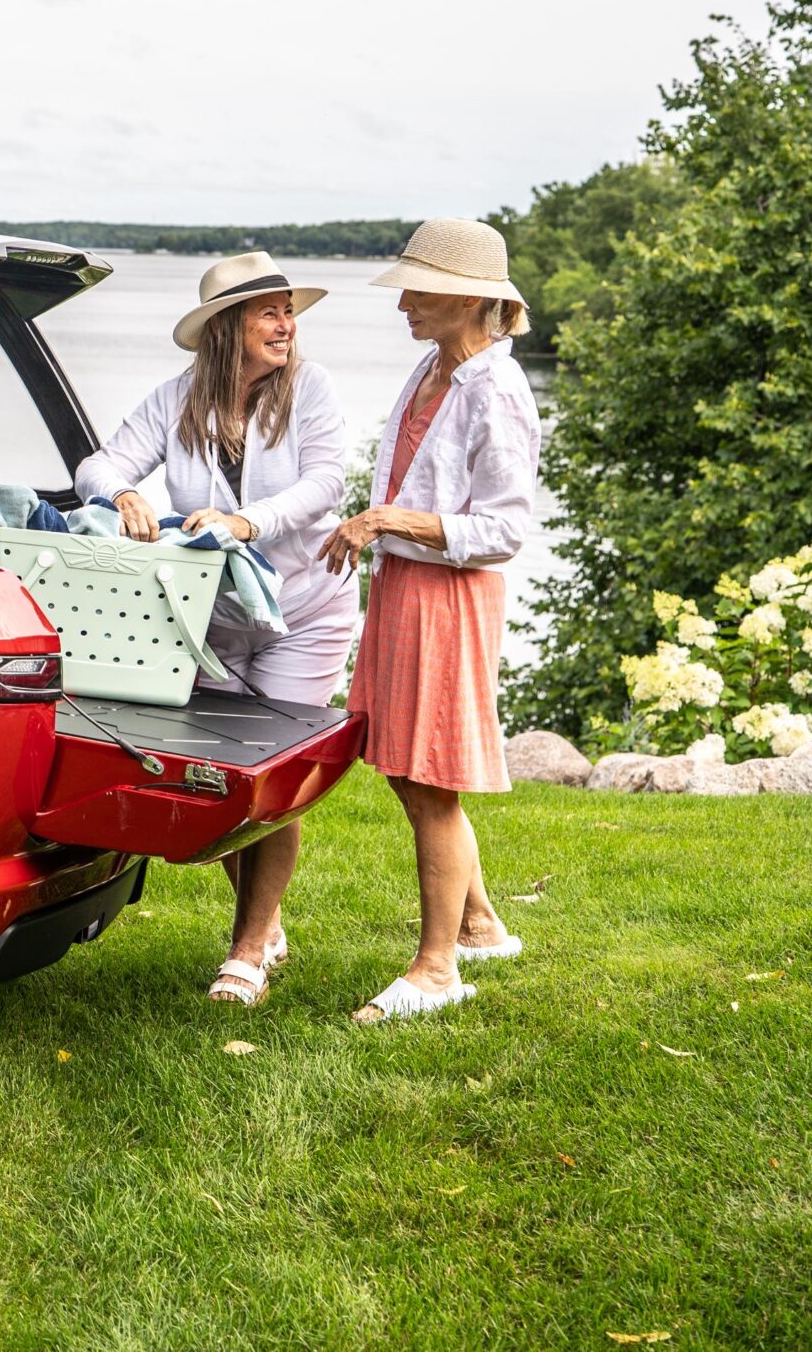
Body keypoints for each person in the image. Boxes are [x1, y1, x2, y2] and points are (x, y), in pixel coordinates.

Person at [75, 251, 357, 1007]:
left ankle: (247, 950)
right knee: (228, 787)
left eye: (287, 310)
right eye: (269, 311)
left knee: (273, 780)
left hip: (303, 611)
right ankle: (265, 923)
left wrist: (245, 521)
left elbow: (326, 481)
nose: (286, 324)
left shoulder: (313, 390)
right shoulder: (178, 399)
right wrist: (127, 491)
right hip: (215, 621)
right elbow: (95, 465)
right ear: (227, 326)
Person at [318, 218, 539, 1024]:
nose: (403, 300)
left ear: (466, 296)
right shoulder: (434, 369)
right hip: (408, 589)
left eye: (417, 286)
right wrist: (383, 526)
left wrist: (388, 521)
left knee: (433, 780)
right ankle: (480, 924)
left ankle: (437, 967)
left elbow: (504, 530)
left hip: (448, 598)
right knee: (409, 769)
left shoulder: (499, 389)